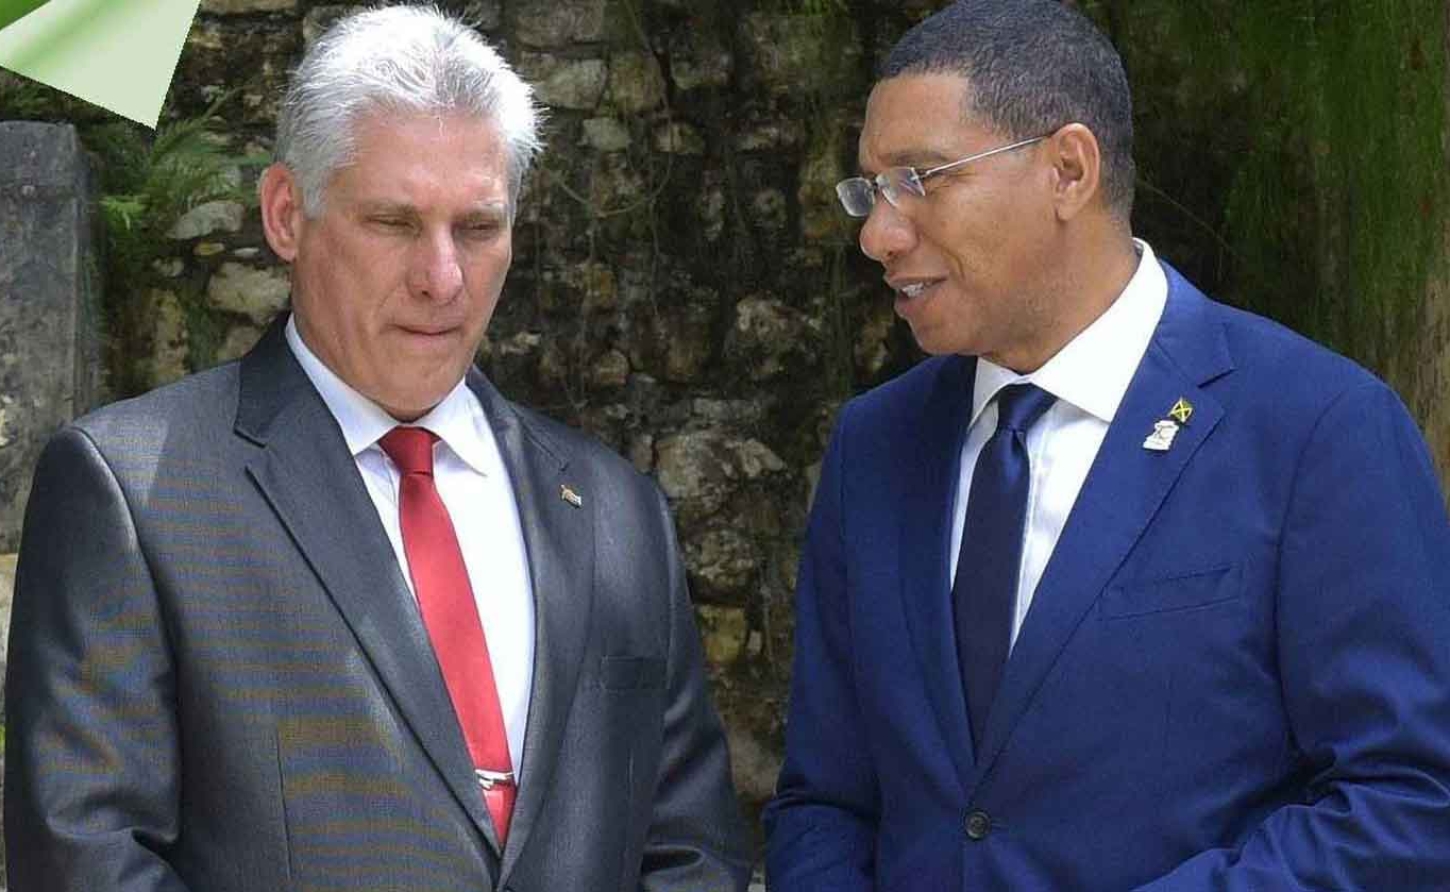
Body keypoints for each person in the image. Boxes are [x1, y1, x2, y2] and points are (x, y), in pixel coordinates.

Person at [4, 7, 750, 891]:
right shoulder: (136, 491)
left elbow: (691, 851)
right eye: (395, 224)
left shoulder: (619, 511)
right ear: (287, 214)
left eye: (478, 228)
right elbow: (86, 861)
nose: (443, 278)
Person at [763, 1, 1450, 889]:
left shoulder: (1318, 429)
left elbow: (1409, 801)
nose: (878, 234)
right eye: (871, 190)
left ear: (1069, 170)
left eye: (921, 179)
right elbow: (825, 801)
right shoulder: (875, 446)